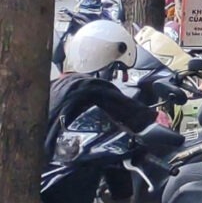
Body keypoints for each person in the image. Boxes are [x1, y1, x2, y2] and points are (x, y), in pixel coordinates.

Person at [45, 20, 156, 203]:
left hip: (52, 170)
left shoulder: (60, 83)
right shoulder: (93, 88)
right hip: (70, 182)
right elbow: (140, 119)